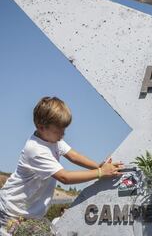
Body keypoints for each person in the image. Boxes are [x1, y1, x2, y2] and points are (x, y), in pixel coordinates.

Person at [0, 96, 123, 234]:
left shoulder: (53, 140)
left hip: (29, 215)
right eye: (58, 131)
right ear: (41, 127)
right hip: (10, 212)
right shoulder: (36, 149)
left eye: (64, 130)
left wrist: (98, 167)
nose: (62, 135)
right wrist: (100, 173)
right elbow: (65, 177)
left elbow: (74, 156)